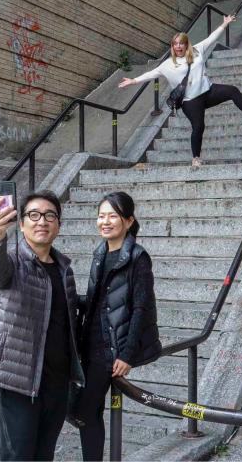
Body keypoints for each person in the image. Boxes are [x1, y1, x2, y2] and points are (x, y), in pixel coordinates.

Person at [0, 190, 84, 461]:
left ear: (58, 224)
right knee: (19, 454)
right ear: (22, 223)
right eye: (33, 215)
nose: (42, 221)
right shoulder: (13, 261)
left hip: (57, 381)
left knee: (44, 453)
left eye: (50, 216)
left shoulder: (64, 270)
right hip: (20, 379)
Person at [70, 192, 160, 462]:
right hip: (89, 342)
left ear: (129, 221)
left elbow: (142, 309)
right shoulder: (100, 252)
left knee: (85, 413)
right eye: (101, 215)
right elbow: (100, 301)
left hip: (110, 350)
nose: (105, 221)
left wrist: (127, 354)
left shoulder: (138, 258)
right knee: (84, 411)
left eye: (112, 216)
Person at [118, 16, 242, 168]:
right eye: (175, 44)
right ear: (172, 46)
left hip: (208, 92)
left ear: (186, 45)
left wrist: (224, 24)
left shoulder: (197, 50)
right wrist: (133, 81)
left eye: (181, 44)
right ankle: (196, 159)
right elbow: (151, 74)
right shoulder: (167, 65)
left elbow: (211, 38)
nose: (178, 47)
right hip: (190, 101)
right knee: (198, 127)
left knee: (232, 91)